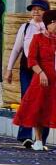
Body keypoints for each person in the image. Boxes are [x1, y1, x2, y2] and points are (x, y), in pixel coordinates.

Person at [5, 0, 51, 147]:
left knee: (44, 102)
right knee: (27, 100)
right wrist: (9, 69)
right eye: (33, 9)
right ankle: (25, 136)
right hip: (28, 69)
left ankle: (41, 139)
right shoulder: (25, 28)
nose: (35, 11)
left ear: (46, 12)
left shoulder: (50, 30)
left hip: (45, 70)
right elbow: (17, 49)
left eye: (39, 9)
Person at [12, 9, 56, 151]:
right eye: (55, 23)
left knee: (51, 110)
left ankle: (42, 140)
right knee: (39, 109)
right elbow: (31, 60)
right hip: (41, 80)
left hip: (54, 81)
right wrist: (41, 73)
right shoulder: (37, 38)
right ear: (49, 23)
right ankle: (38, 140)